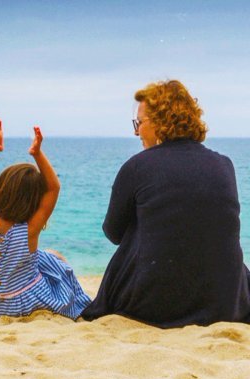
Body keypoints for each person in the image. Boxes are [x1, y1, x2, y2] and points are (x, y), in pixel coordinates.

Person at [81, 80, 250, 328]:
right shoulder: (224, 165)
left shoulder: (138, 166)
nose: (136, 132)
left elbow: (113, 233)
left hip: (150, 304)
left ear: (161, 120)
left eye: (140, 122)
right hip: (224, 302)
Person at [0, 119, 92, 319]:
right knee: (55, 259)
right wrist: (38, 154)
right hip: (23, 302)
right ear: (34, 201)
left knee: (41, 257)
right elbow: (54, 187)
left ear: (1, 191)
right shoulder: (30, 230)